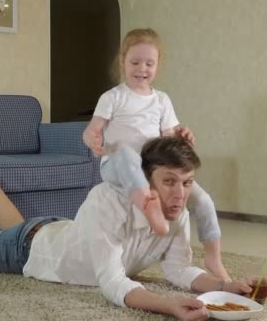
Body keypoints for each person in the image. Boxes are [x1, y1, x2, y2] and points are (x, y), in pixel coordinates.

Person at [0, 137, 255, 320]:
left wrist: (223, 287)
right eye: (168, 181)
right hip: (28, 249)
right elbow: (111, 282)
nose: (180, 193)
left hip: (59, 232)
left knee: (18, 225)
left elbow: (180, 269)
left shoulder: (178, 210)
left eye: (186, 183)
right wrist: (167, 307)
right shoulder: (106, 201)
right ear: (144, 180)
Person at [82, 27, 230, 281]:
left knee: (204, 201)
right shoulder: (113, 97)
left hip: (153, 169)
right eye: (135, 62)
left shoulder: (161, 100)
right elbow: (91, 130)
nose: (142, 69)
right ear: (123, 62)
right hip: (118, 166)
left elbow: (169, 140)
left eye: (149, 63)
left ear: (158, 65)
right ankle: (150, 209)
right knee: (128, 154)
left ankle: (213, 258)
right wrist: (93, 140)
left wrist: (182, 136)